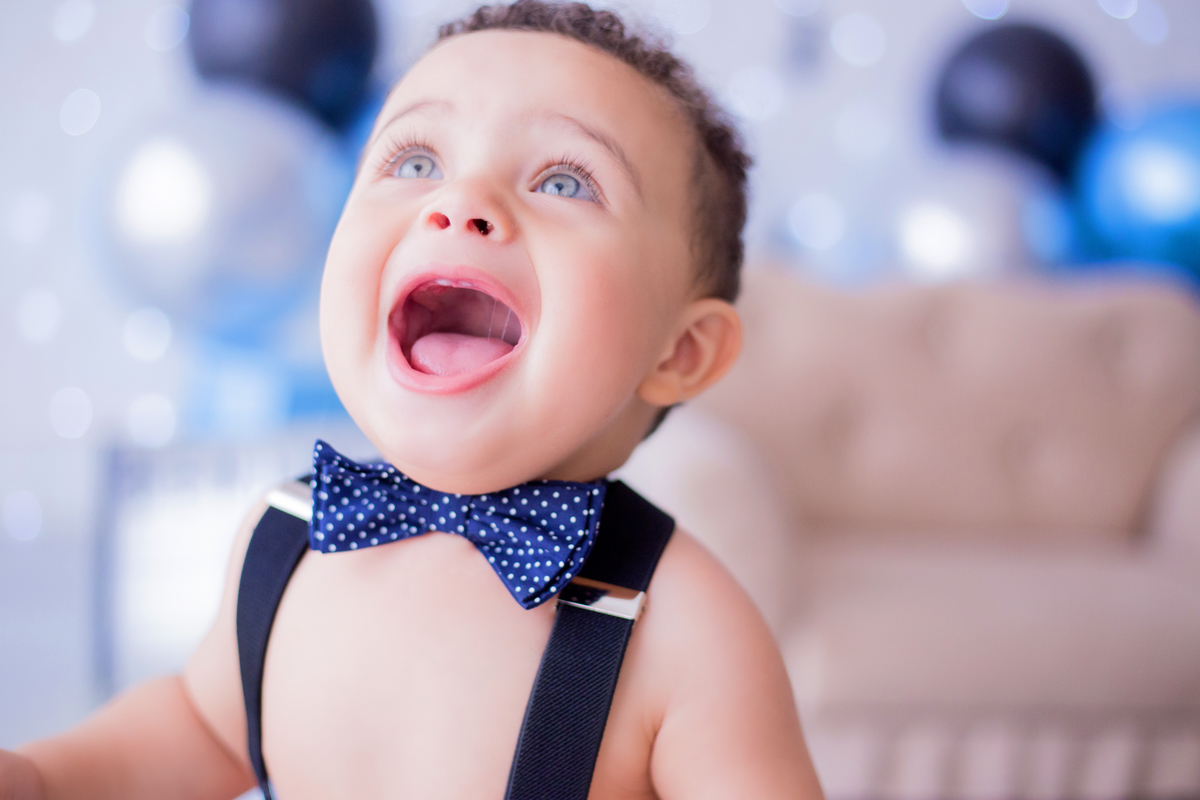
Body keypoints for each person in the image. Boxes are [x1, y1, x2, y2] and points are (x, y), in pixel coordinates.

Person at [0, 2, 824, 798]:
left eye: (566, 181)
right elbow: (200, 730)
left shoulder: (683, 629)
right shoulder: (288, 535)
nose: (459, 204)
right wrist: (42, 778)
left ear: (678, 352)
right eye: (416, 161)